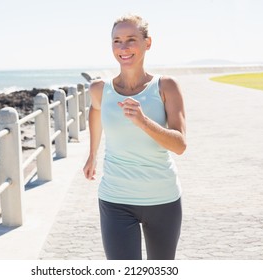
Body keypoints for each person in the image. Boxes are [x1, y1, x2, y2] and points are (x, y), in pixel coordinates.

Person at [83, 14, 186, 260]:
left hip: (162, 198)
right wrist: (92, 155)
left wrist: (143, 122)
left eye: (131, 39)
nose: (123, 47)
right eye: (117, 41)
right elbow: (96, 112)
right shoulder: (99, 89)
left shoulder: (166, 86)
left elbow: (180, 145)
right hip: (115, 198)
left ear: (147, 43)